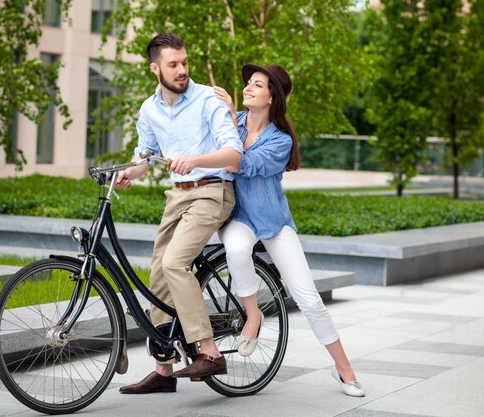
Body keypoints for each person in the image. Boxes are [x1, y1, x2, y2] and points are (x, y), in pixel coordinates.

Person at [213, 64, 365, 397]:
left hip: (273, 220)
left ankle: (345, 369)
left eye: (258, 85)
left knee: (309, 300)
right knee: (236, 249)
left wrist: (226, 116)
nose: (249, 88)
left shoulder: (279, 140)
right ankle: (253, 316)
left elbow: (238, 164)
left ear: (272, 98)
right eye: (249, 83)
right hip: (238, 217)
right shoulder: (232, 121)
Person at [115, 33, 243, 394]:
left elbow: (233, 154)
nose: (182, 70)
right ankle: (164, 370)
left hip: (212, 192)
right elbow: (145, 156)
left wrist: (195, 160)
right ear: (155, 68)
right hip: (177, 197)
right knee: (158, 276)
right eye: (173, 64)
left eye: (184, 62)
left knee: (174, 263)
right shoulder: (149, 108)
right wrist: (128, 172)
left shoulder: (208, 99)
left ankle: (210, 351)